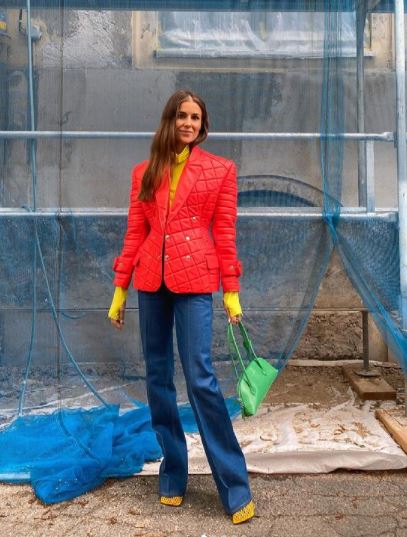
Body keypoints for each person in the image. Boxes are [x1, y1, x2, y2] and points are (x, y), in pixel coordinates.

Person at [108, 90, 254, 525]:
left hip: (196, 281)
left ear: (201, 125)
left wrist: (231, 291)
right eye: (181, 115)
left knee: (201, 377)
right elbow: (135, 233)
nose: (188, 123)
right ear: (169, 120)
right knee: (157, 377)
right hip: (151, 280)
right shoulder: (144, 173)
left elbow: (225, 232)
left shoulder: (220, 170)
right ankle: (173, 470)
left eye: (195, 117)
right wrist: (119, 292)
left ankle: (234, 483)